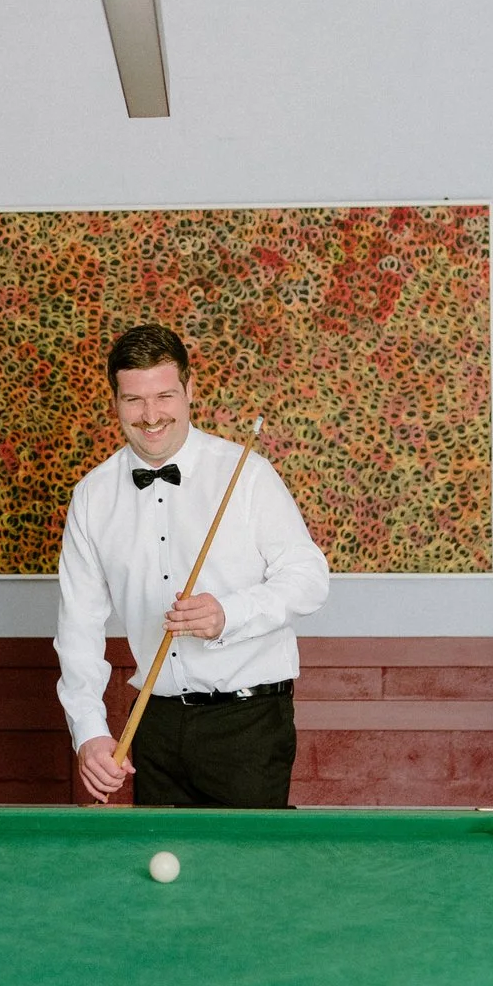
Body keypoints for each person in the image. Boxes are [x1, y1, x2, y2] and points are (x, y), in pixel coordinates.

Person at [58, 324, 331, 808]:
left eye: (164, 396)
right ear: (115, 401)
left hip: (248, 724)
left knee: (244, 860)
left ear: (189, 390)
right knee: (159, 858)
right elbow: (78, 627)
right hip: (155, 725)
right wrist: (89, 731)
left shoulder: (246, 474)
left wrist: (230, 614)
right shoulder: (92, 496)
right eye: (134, 400)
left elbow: (309, 579)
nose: (150, 416)